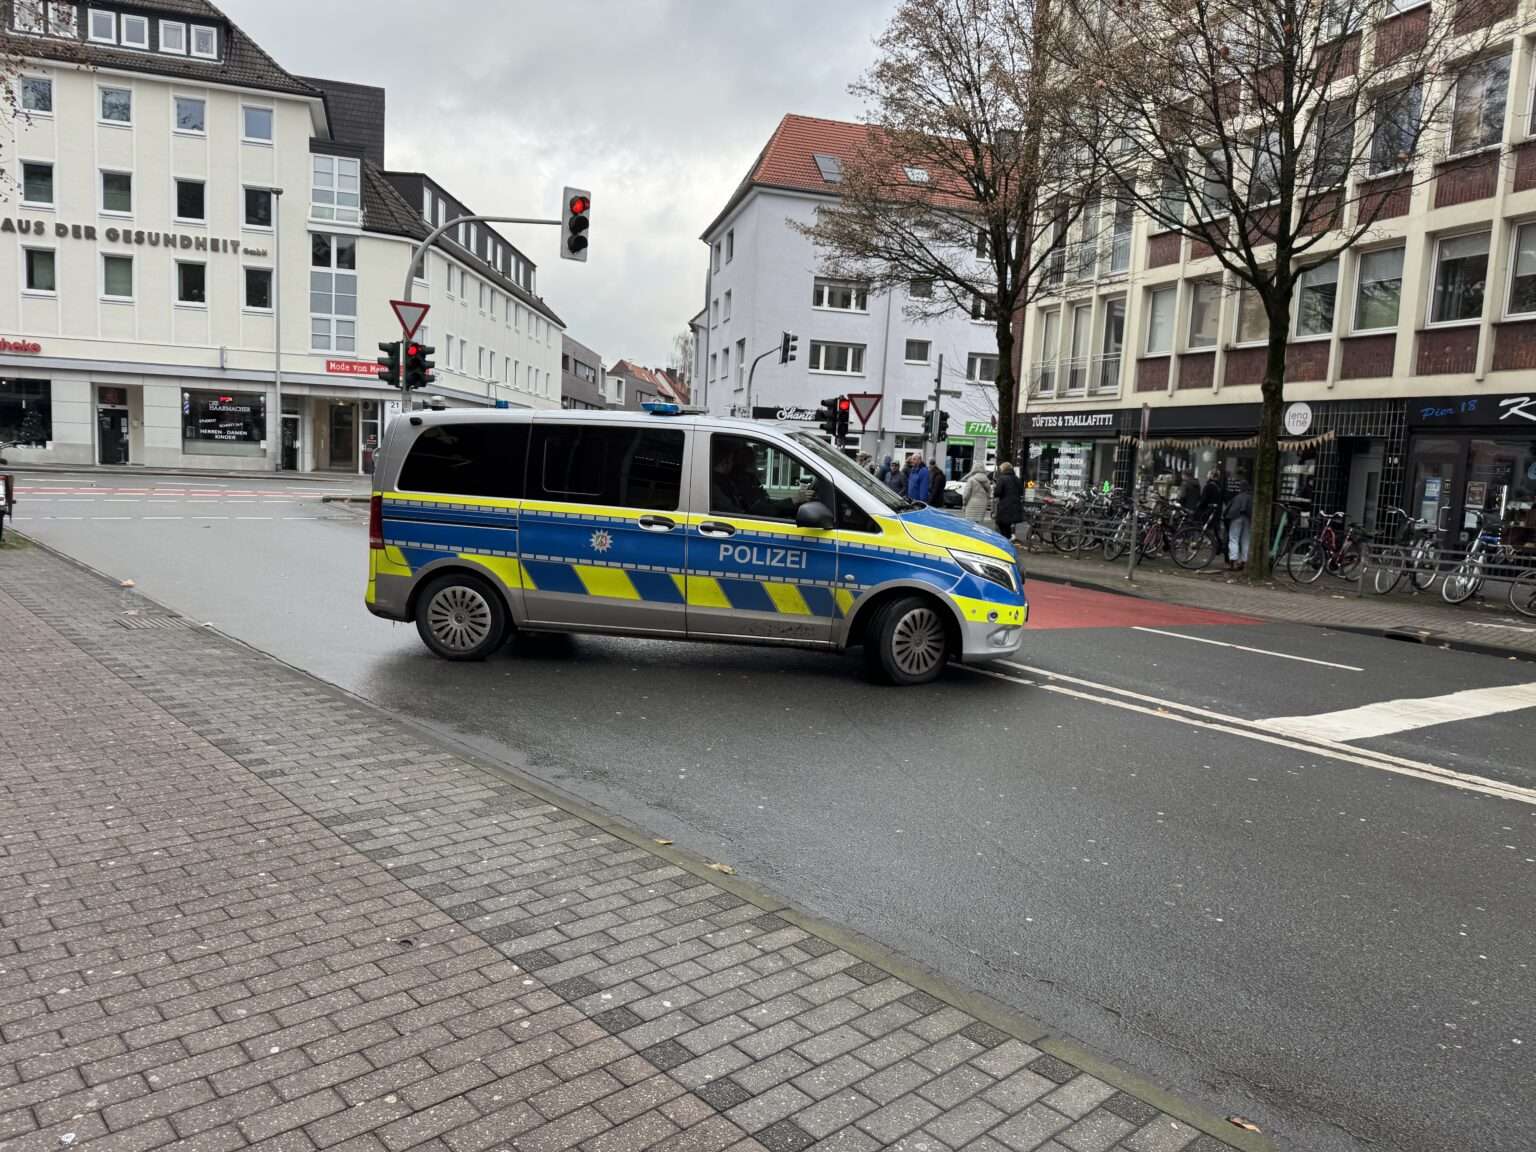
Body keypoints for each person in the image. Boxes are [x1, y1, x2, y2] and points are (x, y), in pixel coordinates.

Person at [1225, 479, 1253, 569]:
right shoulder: (1250, 497)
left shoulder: (1237, 497)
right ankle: (1244, 562)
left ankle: (1233, 561)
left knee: (1234, 538)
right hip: (1247, 518)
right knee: (1246, 540)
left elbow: (1229, 509)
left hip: (1236, 517)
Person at [993, 461, 1023, 542]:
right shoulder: (1016, 479)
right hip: (1015, 505)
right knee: (1007, 524)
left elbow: (997, 492)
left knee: (1001, 523)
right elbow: (1021, 491)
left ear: (1003, 469)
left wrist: (995, 490)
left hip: (1005, 505)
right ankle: (1008, 537)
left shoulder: (1002, 478)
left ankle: (1006, 539)